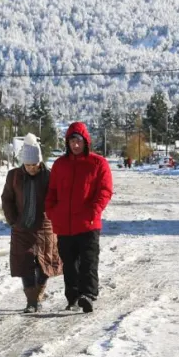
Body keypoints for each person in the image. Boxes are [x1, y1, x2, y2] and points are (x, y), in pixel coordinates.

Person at [45, 121, 114, 313]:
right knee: (69, 264)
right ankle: (73, 297)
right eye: (72, 141)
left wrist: (94, 210)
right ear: (67, 142)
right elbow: (52, 191)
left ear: (86, 142)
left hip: (88, 223)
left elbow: (105, 191)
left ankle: (88, 295)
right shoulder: (60, 165)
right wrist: (51, 211)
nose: (75, 145)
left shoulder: (98, 163)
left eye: (79, 141)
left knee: (88, 261)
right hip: (64, 224)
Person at [1, 134, 62, 313]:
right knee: (25, 262)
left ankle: (39, 295)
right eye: (28, 165)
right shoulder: (14, 176)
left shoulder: (50, 176)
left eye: (34, 165)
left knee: (45, 264)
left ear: (40, 162)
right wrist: (13, 220)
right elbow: (7, 199)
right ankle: (31, 301)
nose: (31, 168)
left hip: (45, 226)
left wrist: (55, 218)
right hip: (22, 227)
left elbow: (58, 199)